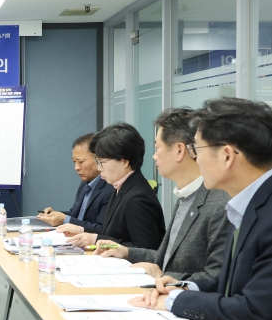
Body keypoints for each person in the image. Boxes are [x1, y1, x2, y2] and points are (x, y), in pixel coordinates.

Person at [131, 97, 272, 320]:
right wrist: (183, 287)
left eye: (197, 149)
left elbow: (255, 311)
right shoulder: (248, 203)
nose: (194, 158)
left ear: (226, 155)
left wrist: (177, 301)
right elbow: (230, 283)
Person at [96, 108, 231, 281]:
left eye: (158, 148)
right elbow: (165, 259)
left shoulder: (218, 203)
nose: (154, 156)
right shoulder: (185, 196)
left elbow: (217, 277)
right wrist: (126, 252)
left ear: (179, 150)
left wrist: (165, 277)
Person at [60, 123, 165, 249]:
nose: (99, 168)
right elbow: (111, 233)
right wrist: (82, 231)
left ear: (124, 162)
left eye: (102, 162)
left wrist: (95, 240)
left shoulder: (138, 198)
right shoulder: (121, 187)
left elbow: (145, 250)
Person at [37, 133, 114, 230]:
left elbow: (102, 229)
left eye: (81, 162)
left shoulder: (111, 188)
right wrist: (54, 215)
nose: (76, 168)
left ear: (98, 159)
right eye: (74, 162)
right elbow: (76, 216)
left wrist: (64, 219)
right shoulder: (84, 184)